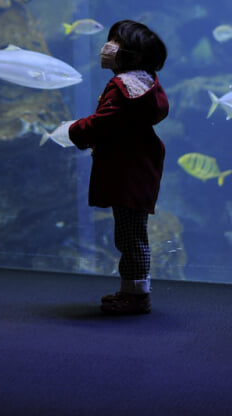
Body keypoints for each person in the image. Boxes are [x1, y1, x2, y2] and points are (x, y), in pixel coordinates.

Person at [68, 19, 168, 315]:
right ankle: (131, 290)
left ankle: (137, 296)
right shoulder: (145, 82)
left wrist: (75, 130)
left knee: (130, 236)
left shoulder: (122, 87)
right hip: (138, 168)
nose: (107, 47)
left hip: (127, 171)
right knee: (132, 232)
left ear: (134, 55)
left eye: (115, 42)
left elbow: (105, 122)